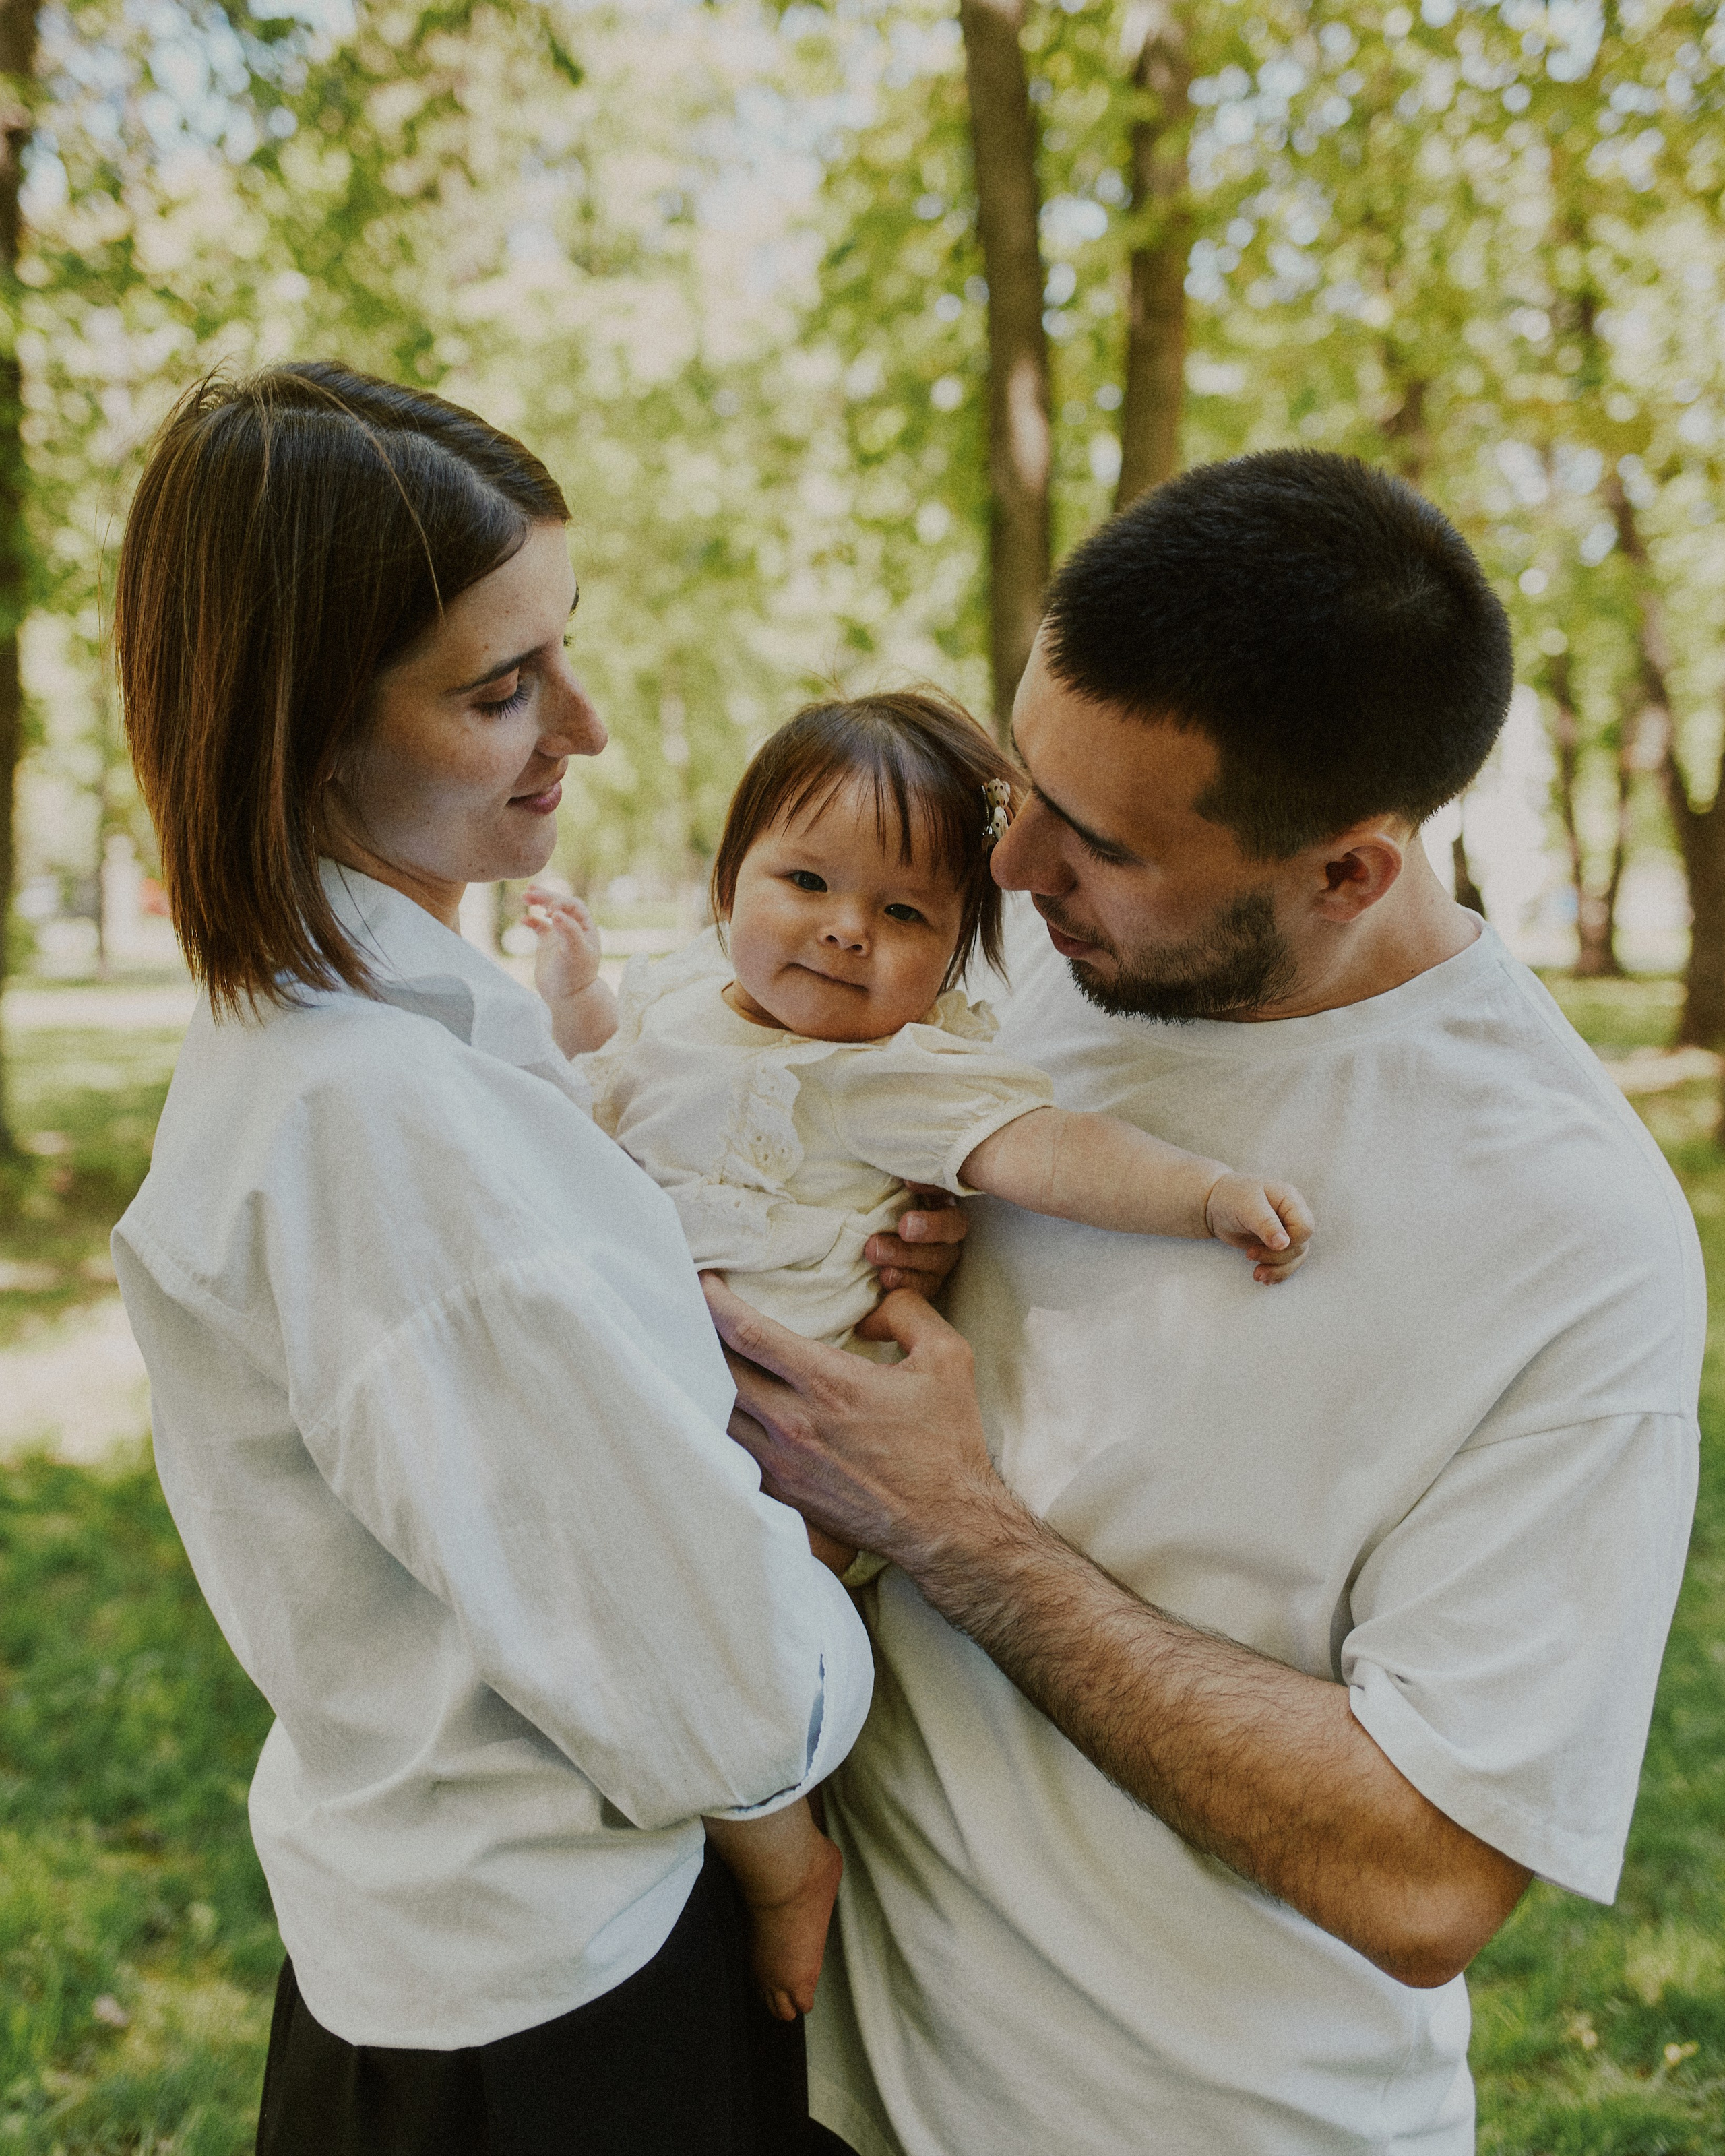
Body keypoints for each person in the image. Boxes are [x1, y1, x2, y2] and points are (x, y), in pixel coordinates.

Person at [701, 451, 1704, 2155]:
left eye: (1093, 842)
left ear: (1345, 875)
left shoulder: (1566, 1236)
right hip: (800, 2082)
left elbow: (1428, 1871)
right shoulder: (1009, 966)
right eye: (1021, 783)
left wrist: (957, 1526)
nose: (1009, 866)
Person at [106, 360, 955, 2155]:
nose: (587, 726)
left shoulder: (393, 1038)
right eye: (499, 689)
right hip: (554, 2018)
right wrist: (793, 1805)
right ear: (297, 733)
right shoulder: (380, 1119)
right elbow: (693, 1656)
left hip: (444, 1956)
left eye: (560, 647)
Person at [526, 689, 1312, 2023]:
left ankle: (781, 1859)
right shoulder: (678, 998)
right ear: (730, 885)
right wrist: (574, 992)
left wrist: (1201, 1191)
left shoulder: (893, 1072)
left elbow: (1050, 1149)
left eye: (903, 915)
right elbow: (598, 1078)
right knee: (596, 1617)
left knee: (706, 1639)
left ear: (951, 958)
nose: (844, 927)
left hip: (774, 1454)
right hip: (635, 1402)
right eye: (806, 880)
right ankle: (703, 1843)